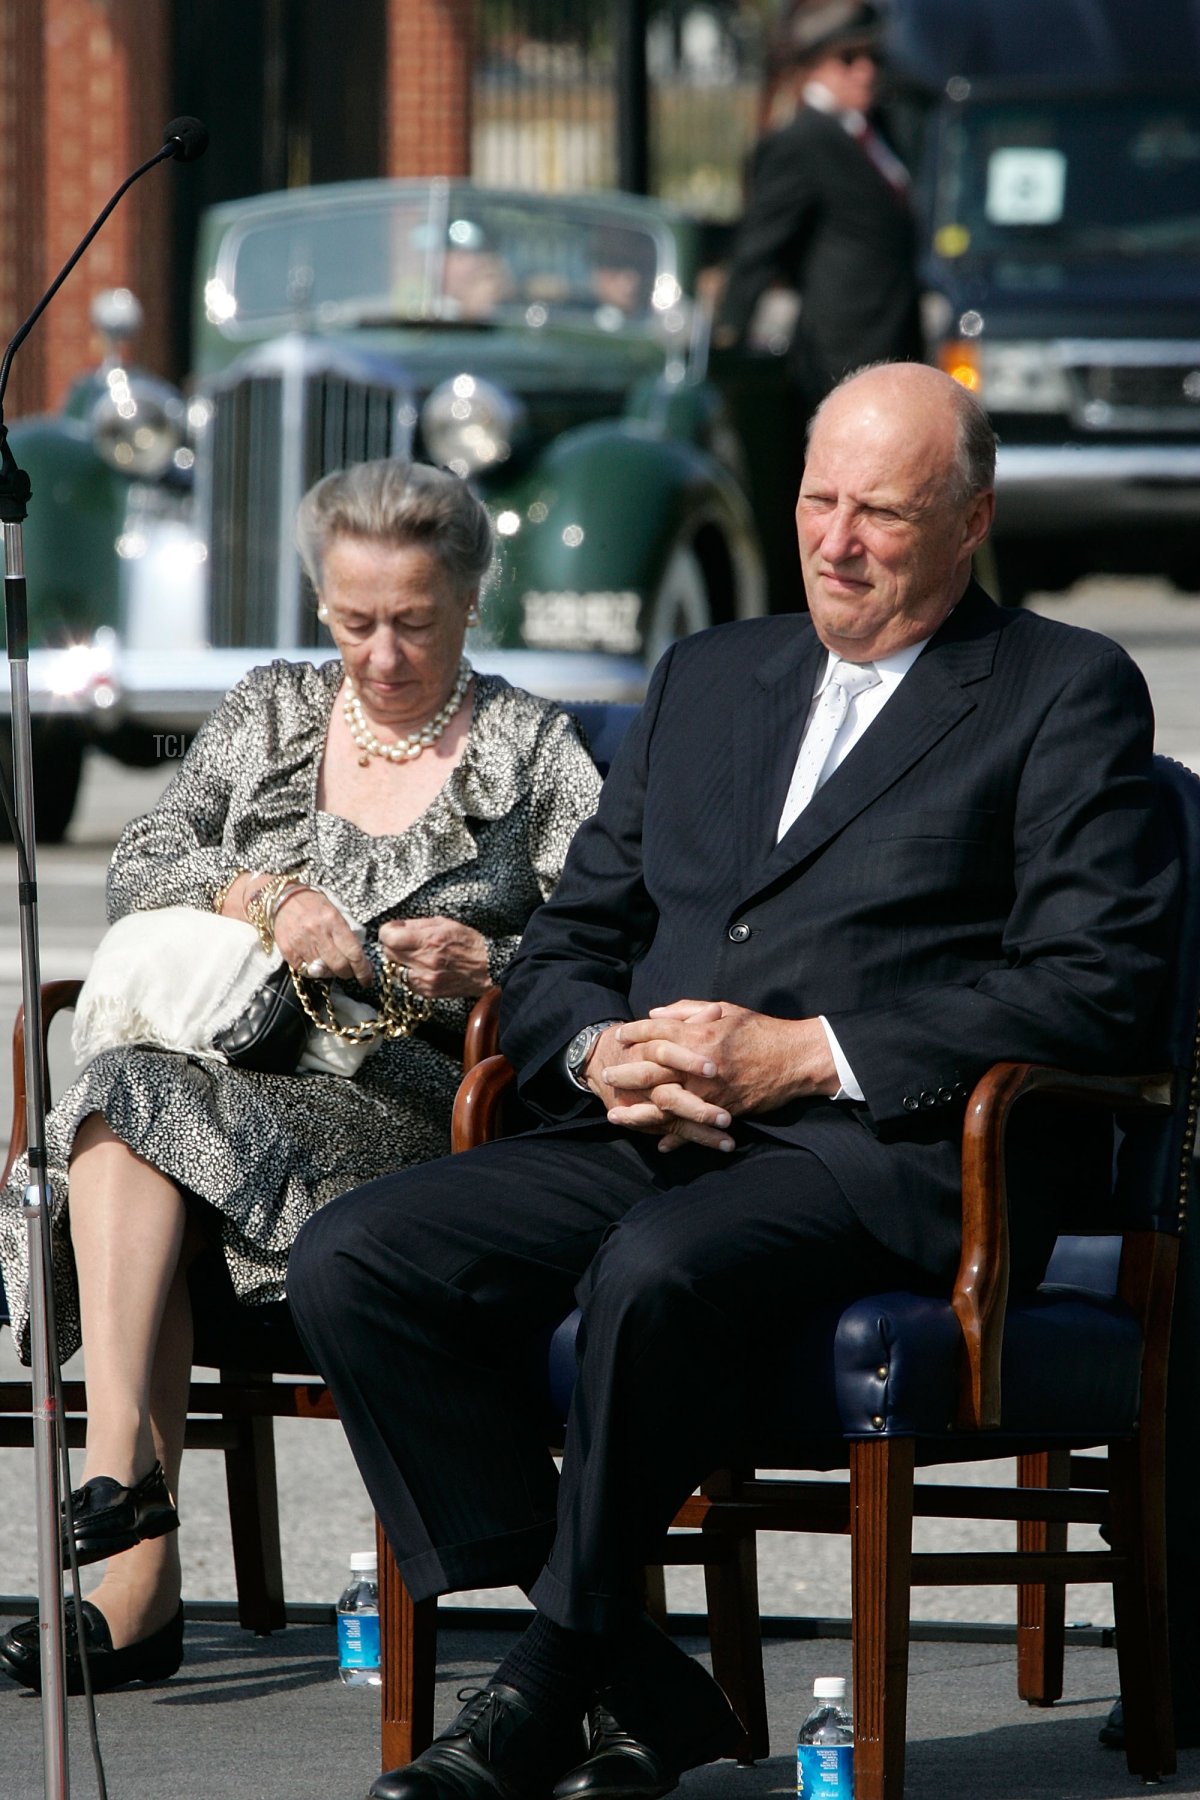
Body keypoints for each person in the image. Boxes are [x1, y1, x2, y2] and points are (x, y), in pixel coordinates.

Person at [287, 363, 1179, 1800]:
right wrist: (596, 1048)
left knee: (654, 1269)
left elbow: (1098, 984)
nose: (836, 539)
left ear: (971, 522)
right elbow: (573, 944)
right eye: (819, 500)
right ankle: (635, 1677)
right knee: (356, 1259)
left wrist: (806, 1053)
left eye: (881, 512)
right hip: (648, 1126)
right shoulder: (708, 679)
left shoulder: (1060, 690)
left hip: (884, 1157)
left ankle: (540, 1688)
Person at [0, 459, 602, 1696]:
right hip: (232, 1077)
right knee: (133, 1095)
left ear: (471, 602)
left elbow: (627, 937)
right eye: (353, 620)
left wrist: (493, 962)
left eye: (414, 624)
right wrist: (269, 895)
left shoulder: (536, 751)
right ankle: (131, 1521)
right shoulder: (270, 709)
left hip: (421, 1106)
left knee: (126, 1097)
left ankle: (126, 1539)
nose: (381, 655)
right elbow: (141, 864)